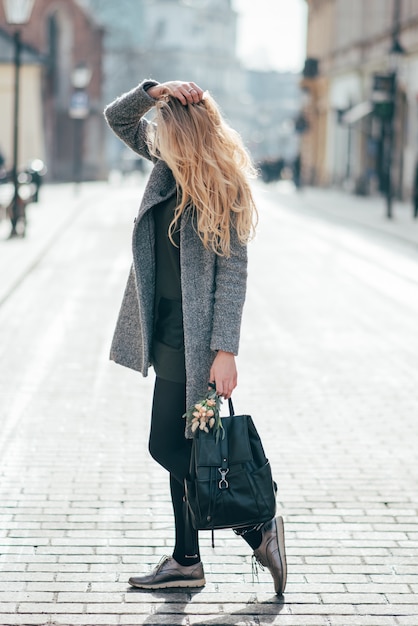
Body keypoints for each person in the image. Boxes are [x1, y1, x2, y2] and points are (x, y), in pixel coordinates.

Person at [104, 79, 287, 594]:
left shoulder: (222, 184)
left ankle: (255, 524)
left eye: (164, 128)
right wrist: (152, 91)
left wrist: (225, 350)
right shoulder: (166, 168)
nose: (155, 136)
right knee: (180, 445)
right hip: (162, 332)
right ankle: (187, 560)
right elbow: (118, 119)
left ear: (184, 135)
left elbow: (233, 276)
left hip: (197, 341)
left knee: (167, 445)